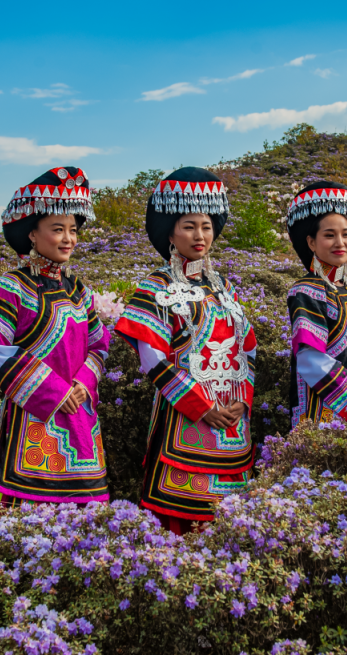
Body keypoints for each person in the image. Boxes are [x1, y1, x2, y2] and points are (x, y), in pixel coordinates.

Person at [115, 167, 256, 535]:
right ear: (170, 233)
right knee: (179, 527)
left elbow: (247, 347)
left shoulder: (224, 286)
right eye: (189, 226)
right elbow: (151, 358)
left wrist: (242, 399)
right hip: (185, 417)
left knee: (231, 528)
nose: (200, 235)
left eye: (207, 226)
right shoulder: (156, 286)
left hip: (232, 424)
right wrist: (202, 407)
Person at [0, 167, 111, 509]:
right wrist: (54, 391)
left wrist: (83, 384)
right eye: (58, 230)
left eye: (73, 230)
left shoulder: (78, 290)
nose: (68, 239)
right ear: (32, 234)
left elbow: (99, 344)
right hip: (34, 415)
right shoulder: (12, 286)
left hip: (80, 417)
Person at [286, 181, 347, 426]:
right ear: (311, 242)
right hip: (324, 411)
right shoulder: (306, 291)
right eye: (329, 235)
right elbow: (309, 359)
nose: (340, 242)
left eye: (346, 234)